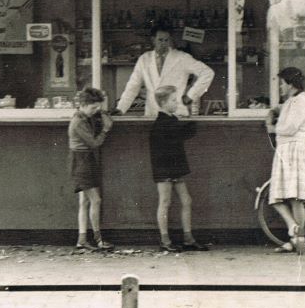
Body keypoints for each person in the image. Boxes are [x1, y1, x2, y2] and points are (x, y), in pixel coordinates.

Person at [149, 85, 209, 252]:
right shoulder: (163, 123)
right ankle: (165, 241)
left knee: (184, 201)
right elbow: (185, 134)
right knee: (166, 202)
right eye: (173, 100)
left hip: (172, 167)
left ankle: (187, 238)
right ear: (163, 102)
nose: (176, 103)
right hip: (166, 168)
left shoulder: (169, 120)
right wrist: (193, 117)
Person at [266, 67, 305, 255]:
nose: (280, 86)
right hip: (286, 151)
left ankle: (297, 237)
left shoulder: (301, 102)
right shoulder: (293, 101)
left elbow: (288, 127)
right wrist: (275, 110)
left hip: (294, 150)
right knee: (279, 196)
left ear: (290, 84)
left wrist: (272, 126)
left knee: (295, 198)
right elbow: (283, 112)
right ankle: (294, 230)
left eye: (282, 82)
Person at [114, 23, 214, 117]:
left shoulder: (182, 58)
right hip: (152, 114)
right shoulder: (144, 59)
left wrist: (191, 95)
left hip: (176, 113)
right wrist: (121, 108)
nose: (164, 44)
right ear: (153, 40)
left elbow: (207, 72)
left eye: (166, 40)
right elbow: (133, 86)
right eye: (160, 40)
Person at [68, 87, 114, 251]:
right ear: (84, 104)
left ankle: (82, 240)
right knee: (96, 200)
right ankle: (98, 239)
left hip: (82, 160)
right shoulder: (79, 122)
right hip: (82, 161)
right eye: (93, 107)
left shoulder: (82, 117)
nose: (97, 110)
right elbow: (94, 143)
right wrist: (106, 129)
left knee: (85, 201)